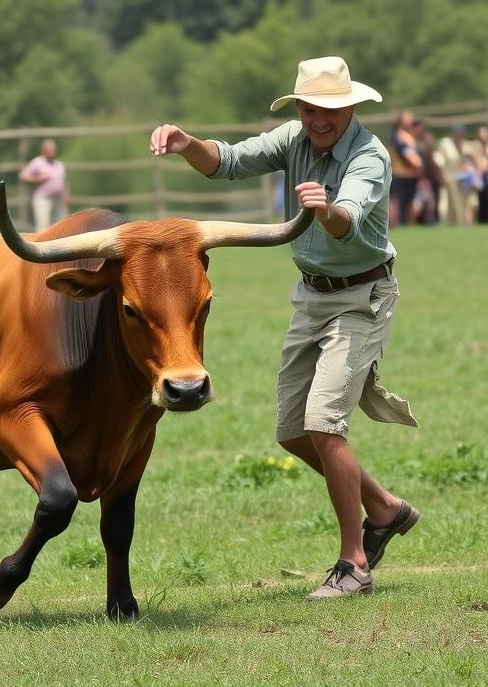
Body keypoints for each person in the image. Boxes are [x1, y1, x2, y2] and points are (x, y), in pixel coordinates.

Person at [150, 56, 419, 601]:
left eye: (329, 108)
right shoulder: (292, 139)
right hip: (311, 295)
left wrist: (324, 210)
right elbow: (224, 162)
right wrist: (184, 143)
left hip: (361, 297)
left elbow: (348, 219)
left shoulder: (369, 156)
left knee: (324, 424)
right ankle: (386, 509)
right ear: (298, 107)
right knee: (293, 433)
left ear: (348, 107)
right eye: (308, 106)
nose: (318, 117)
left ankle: (353, 564)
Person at [19, 138, 70, 231]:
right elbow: (23, 176)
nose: (53, 152)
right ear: (44, 151)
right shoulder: (37, 162)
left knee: (61, 226)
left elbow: (63, 181)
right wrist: (36, 179)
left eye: (54, 150)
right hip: (43, 200)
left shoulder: (59, 165)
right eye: (51, 150)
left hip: (57, 200)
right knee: (43, 227)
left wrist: (66, 195)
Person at [389, 111, 422, 227]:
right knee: (399, 200)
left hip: (412, 174)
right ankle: (398, 223)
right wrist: (418, 163)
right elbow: (405, 152)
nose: (410, 120)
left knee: (410, 200)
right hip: (400, 173)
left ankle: (409, 223)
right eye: (407, 118)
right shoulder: (398, 135)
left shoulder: (411, 136)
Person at [435, 124, 470, 226]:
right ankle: (446, 223)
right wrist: (441, 176)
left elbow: (462, 162)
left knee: (459, 203)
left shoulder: (462, 144)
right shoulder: (445, 143)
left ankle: (459, 223)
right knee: (446, 203)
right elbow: (439, 160)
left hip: (459, 178)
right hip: (447, 177)